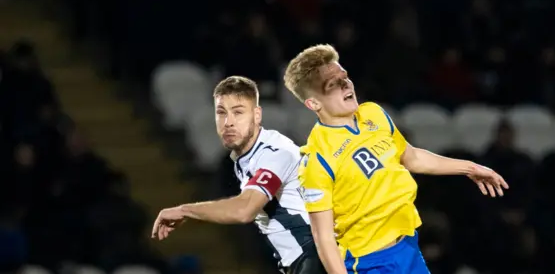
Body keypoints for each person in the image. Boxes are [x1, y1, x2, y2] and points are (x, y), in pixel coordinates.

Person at [283, 44, 510, 274]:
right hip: (371, 263)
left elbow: (412, 158)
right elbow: (323, 237)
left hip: (408, 247)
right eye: (333, 84)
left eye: (345, 77)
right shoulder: (316, 159)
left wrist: (470, 168)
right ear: (314, 104)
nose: (345, 84)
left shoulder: (374, 113)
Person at [151, 76, 325, 274]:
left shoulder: (275, 152)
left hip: (318, 257)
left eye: (238, 113)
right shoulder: (243, 159)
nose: (228, 123)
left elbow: (245, 210)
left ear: (257, 115)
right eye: (221, 113)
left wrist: (184, 210)